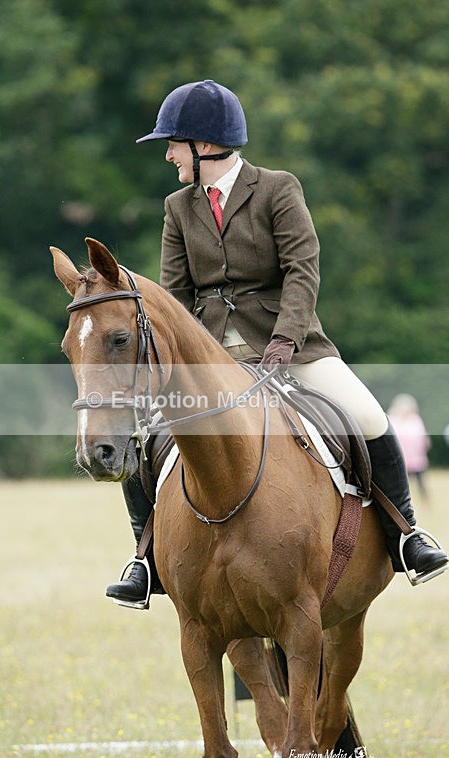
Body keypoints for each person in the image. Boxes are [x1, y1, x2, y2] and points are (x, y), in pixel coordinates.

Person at [106, 79, 447, 604]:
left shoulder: (277, 189)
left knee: (368, 414)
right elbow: (173, 298)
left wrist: (286, 338)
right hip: (210, 356)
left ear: (204, 145)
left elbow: (302, 270)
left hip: (290, 347)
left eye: (173, 144)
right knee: (144, 431)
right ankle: (144, 559)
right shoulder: (178, 207)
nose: (168, 154)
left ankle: (407, 535)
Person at [388, 394, 431, 499]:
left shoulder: (415, 420)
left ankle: (425, 501)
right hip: (400, 461)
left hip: (417, 460)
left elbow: (423, 438)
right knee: (399, 487)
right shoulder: (393, 420)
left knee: (421, 485)